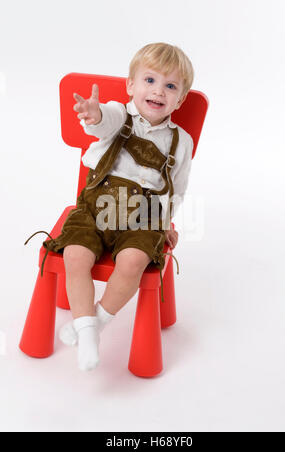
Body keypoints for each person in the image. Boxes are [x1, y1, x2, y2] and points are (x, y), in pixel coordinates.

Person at [25, 42, 194, 372]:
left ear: (181, 98)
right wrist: (94, 113)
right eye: (149, 80)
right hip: (94, 208)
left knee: (132, 263)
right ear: (131, 85)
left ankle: (93, 323)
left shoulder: (181, 142)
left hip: (144, 219)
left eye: (170, 86)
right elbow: (103, 122)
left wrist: (166, 223)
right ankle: (87, 330)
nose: (158, 91)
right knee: (75, 255)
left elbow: (177, 187)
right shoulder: (119, 114)